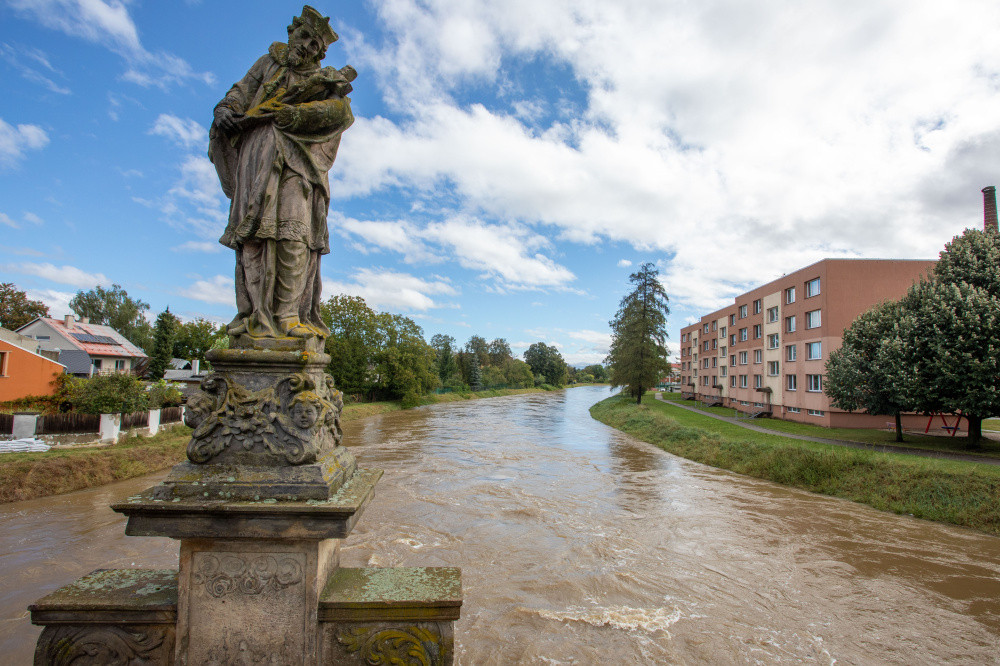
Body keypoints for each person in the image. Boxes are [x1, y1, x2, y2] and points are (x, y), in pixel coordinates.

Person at [209, 5, 354, 341]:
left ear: (320, 54)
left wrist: (296, 116)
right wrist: (225, 111)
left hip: (300, 158)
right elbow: (237, 95)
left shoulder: (323, 80)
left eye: (315, 46)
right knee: (254, 234)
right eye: (304, 37)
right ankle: (253, 314)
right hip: (257, 152)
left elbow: (341, 112)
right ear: (292, 32)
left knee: (295, 232)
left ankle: (288, 315)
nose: (306, 46)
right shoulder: (266, 65)